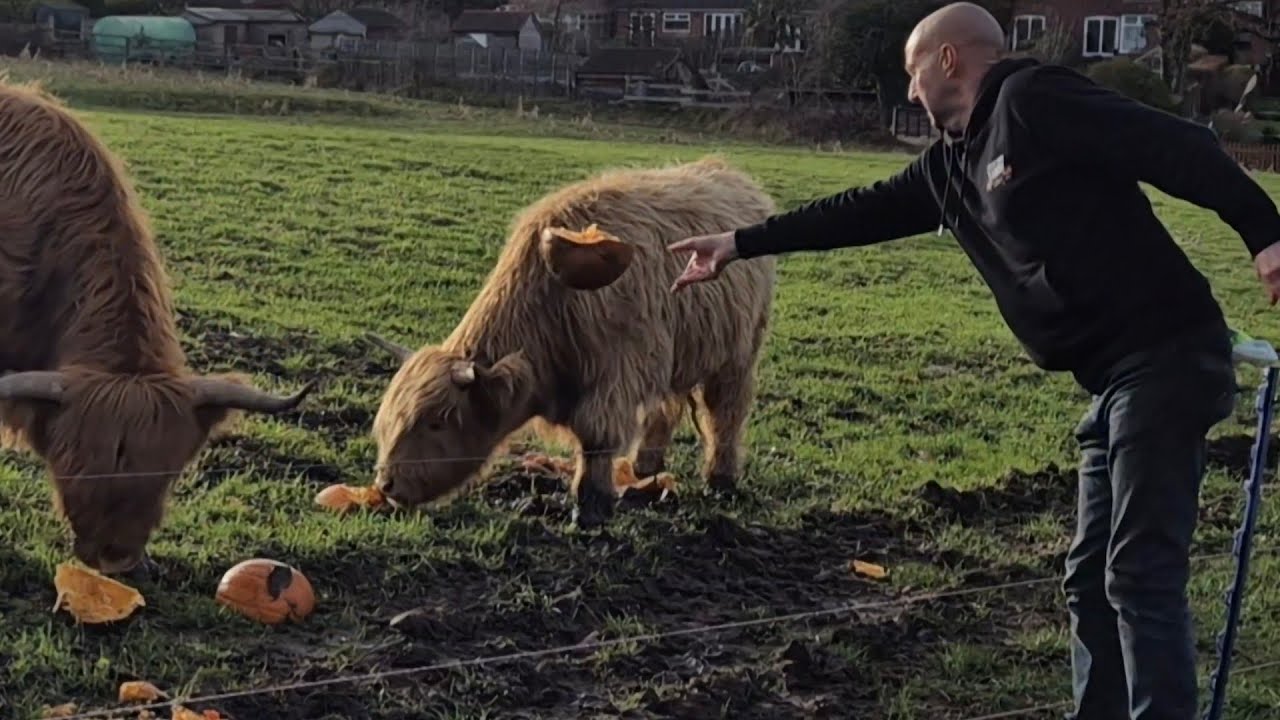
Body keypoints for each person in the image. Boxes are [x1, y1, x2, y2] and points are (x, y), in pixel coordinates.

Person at [667, 3, 1280, 719]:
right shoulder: (950, 167)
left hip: (1168, 355)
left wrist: (1265, 232)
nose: (909, 90)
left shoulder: (1033, 100)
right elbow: (858, 211)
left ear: (949, 59)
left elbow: (1176, 144)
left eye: (912, 72)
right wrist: (738, 243)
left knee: (1140, 572)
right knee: (1090, 579)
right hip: (1113, 380)